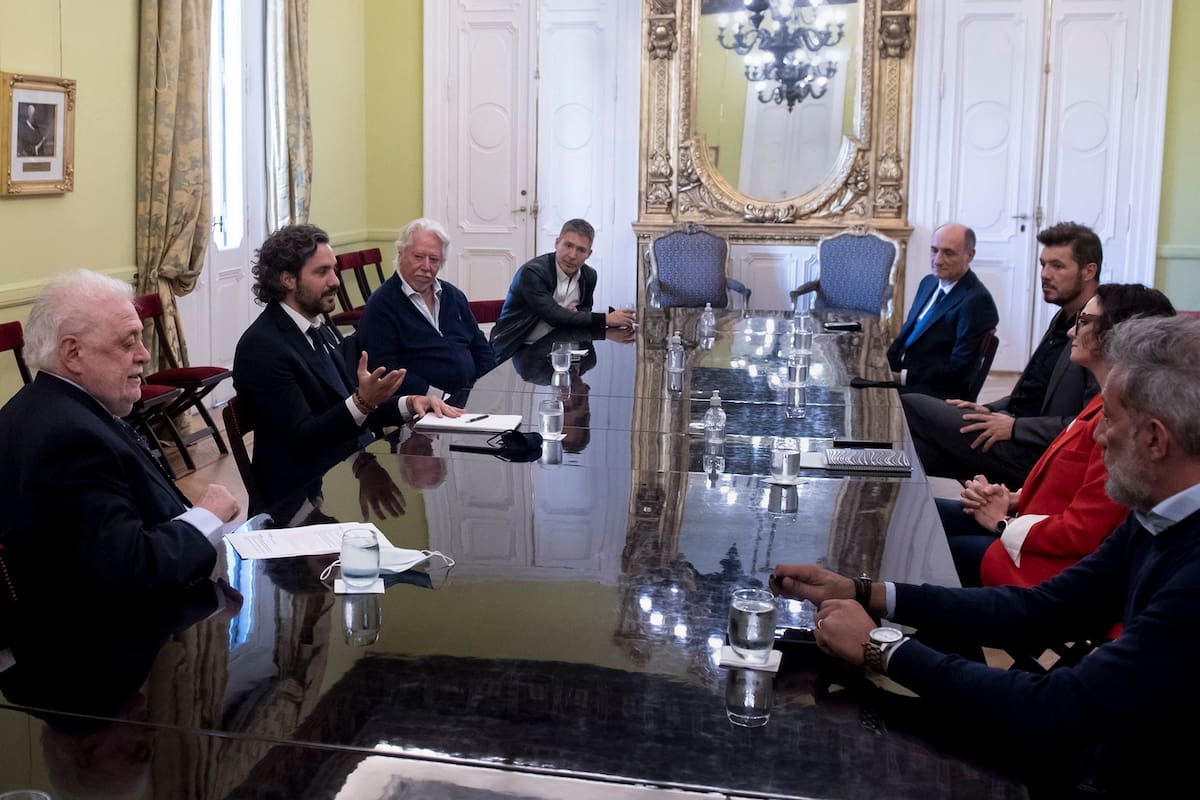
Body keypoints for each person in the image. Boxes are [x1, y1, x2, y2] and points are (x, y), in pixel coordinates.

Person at [771, 315, 1200, 796]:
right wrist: (865, 592)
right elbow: (1041, 609)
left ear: (1156, 439)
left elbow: (1060, 709)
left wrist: (881, 648)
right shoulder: (1156, 515)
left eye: (1111, 420)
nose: (1097, 437)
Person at [0, 270, 239, 598]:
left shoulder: (50, 404)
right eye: (128, 342)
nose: (144, 354)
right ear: (73, 354)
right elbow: (133, 569)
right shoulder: (69, 438)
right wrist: (207, 516)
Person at [937, 283, 1175, 587]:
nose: (1071, 333)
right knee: (928, 516)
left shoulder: (1122, 424)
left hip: (1046, 568)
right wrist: (1012, 498)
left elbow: (1083, 531)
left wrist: (1003, 523)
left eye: (1084, 322)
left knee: (934, 546)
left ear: (1119, 334)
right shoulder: (1097, 402)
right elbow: (1068, 488)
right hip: (1029, 529)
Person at [233, 223, 461, 510]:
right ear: (287, 279)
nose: (335, 281)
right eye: (322, 272)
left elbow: (352, 407)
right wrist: (362, 402)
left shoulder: (317, 329)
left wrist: (410, 403)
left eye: (334, 270)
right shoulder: (262, 347)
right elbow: (302, 440)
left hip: (345, 471)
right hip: (299, 503)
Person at [902, 221, 1101, 488]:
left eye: (1057, 266)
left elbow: (1087, 424)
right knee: (913, 450)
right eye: (1043, 264)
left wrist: (1015, 427)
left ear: (1089, 271)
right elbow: (1029, 394)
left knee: (910, 403)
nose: (1044, 274)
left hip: (1032, 451)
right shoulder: (1063, 318)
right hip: (1009, 428)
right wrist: (989, 409)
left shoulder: (1096, 331)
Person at [356, 218, 497, 397]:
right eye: (418, 257)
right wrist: (439, 397)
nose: (426, 267)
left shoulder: (453, 295)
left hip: (473, 397)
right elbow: (386, 370)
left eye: (434, 259)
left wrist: (490, 388)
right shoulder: (382, 305)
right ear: (401, 253)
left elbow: (480, 348)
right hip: (423, 406)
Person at [489, 218, 635, 361]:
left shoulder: (589, 275)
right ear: (557, 243)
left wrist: (578, 371)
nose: (572, 255)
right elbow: (553, 315)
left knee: (591, 362)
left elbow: (584, 313)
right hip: (518, 348)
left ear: (589, 254)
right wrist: (606, 319)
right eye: (568, 245)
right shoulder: (532, 272)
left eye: (581, 250)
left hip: (559, 348)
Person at [886, 223, 999, 399]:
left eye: (948, 253)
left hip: (934, 393)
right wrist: (882, 367)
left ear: (969, 255)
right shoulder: (928, 283)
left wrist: (900, 377)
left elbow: (959, 371)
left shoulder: (976, 301)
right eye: (934, 250)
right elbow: (906, 337)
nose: (937, 260)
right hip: (905, 378)